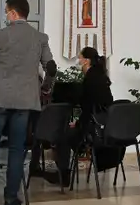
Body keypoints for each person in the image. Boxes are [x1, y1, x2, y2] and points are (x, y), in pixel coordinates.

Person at [0, 0, 57, 205]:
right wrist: (45, 88)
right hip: (25, 102)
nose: (6, 16)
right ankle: (11, 198)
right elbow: (51, 67)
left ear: (13, 13)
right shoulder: (40, 38)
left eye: (6, 12)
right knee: (17, 149)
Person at [48, 47, 115, 186]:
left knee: (63, 134)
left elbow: (88, 109)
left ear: (86, 61)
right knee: (69, 132)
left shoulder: (90, 80)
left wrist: (78, 124)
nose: (78, 61)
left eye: (79, 58)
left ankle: (63, 175)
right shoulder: (101, 77)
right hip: (106, 126)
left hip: (94, 129)